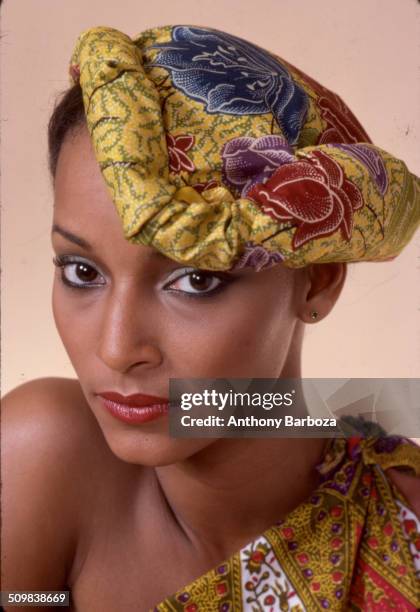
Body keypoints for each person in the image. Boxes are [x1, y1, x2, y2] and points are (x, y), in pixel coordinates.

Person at [2, 24, 420, 611]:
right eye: (81, 272)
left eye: (195, 279)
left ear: (319, 278)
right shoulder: (41, 459)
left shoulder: (404, 531)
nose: (118, 348)